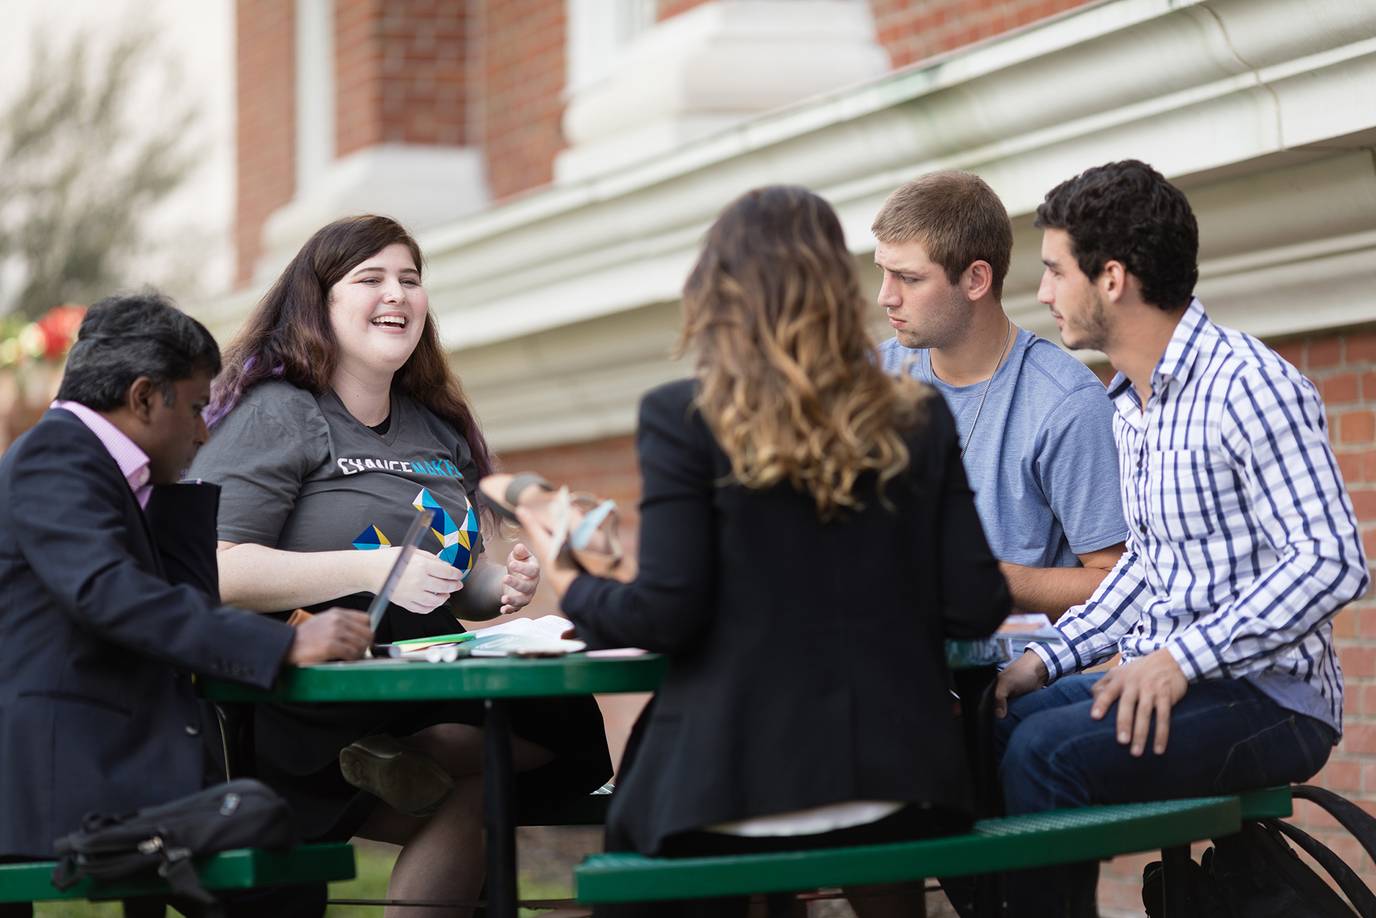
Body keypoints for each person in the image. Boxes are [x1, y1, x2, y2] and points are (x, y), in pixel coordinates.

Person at [507, 186, 1011, 918]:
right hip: (901, 782)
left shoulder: (683, 417)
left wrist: (568, 576)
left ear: (719, 289)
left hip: (729, 784)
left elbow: (665, 614)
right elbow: (976, 603)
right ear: (838, 292)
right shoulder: (916, 416)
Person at [189, 215, 612, 917]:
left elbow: (444, 585)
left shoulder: (435, 424)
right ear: (318, 302)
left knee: (560, 721)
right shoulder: (279, 413)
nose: (398, 294)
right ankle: (390, 750)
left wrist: (495, 588)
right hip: (311, 682)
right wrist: (372, 569)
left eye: (410, 280)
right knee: (487, 780)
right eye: (372, 279)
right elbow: (215, 570)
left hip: (427, 667)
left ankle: (402, 755)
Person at [993, 160, 1370, 915]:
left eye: (1053, 270)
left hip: (1274, 698)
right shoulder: (1132, 404)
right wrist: (1043, 660)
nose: (1040, 294)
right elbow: (1148, 566)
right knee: (1002, 722)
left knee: (1043, 757)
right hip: (1182, 675)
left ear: (1111, 278)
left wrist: (1179, 659)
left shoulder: (1246, 384)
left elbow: (1332, 561)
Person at [0, 293, 371, 910]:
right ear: (144, 397)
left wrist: (168, 487)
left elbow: (178, 599)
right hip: (63, 780)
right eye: (197, 409)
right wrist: (285, 641)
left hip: (127, 758)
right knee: (281, 877)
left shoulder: (112, 470)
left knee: (286, 867)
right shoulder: (54, 457)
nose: (204, 432)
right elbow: (110, 594)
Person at [873, 172, 1127, 619]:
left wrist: (982, 576)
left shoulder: (1065, 404)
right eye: (883, 273)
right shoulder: (868, 380)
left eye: (908, 279)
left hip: (1002, 679)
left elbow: (1119, 579)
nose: (885, 297)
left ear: (975, 280)